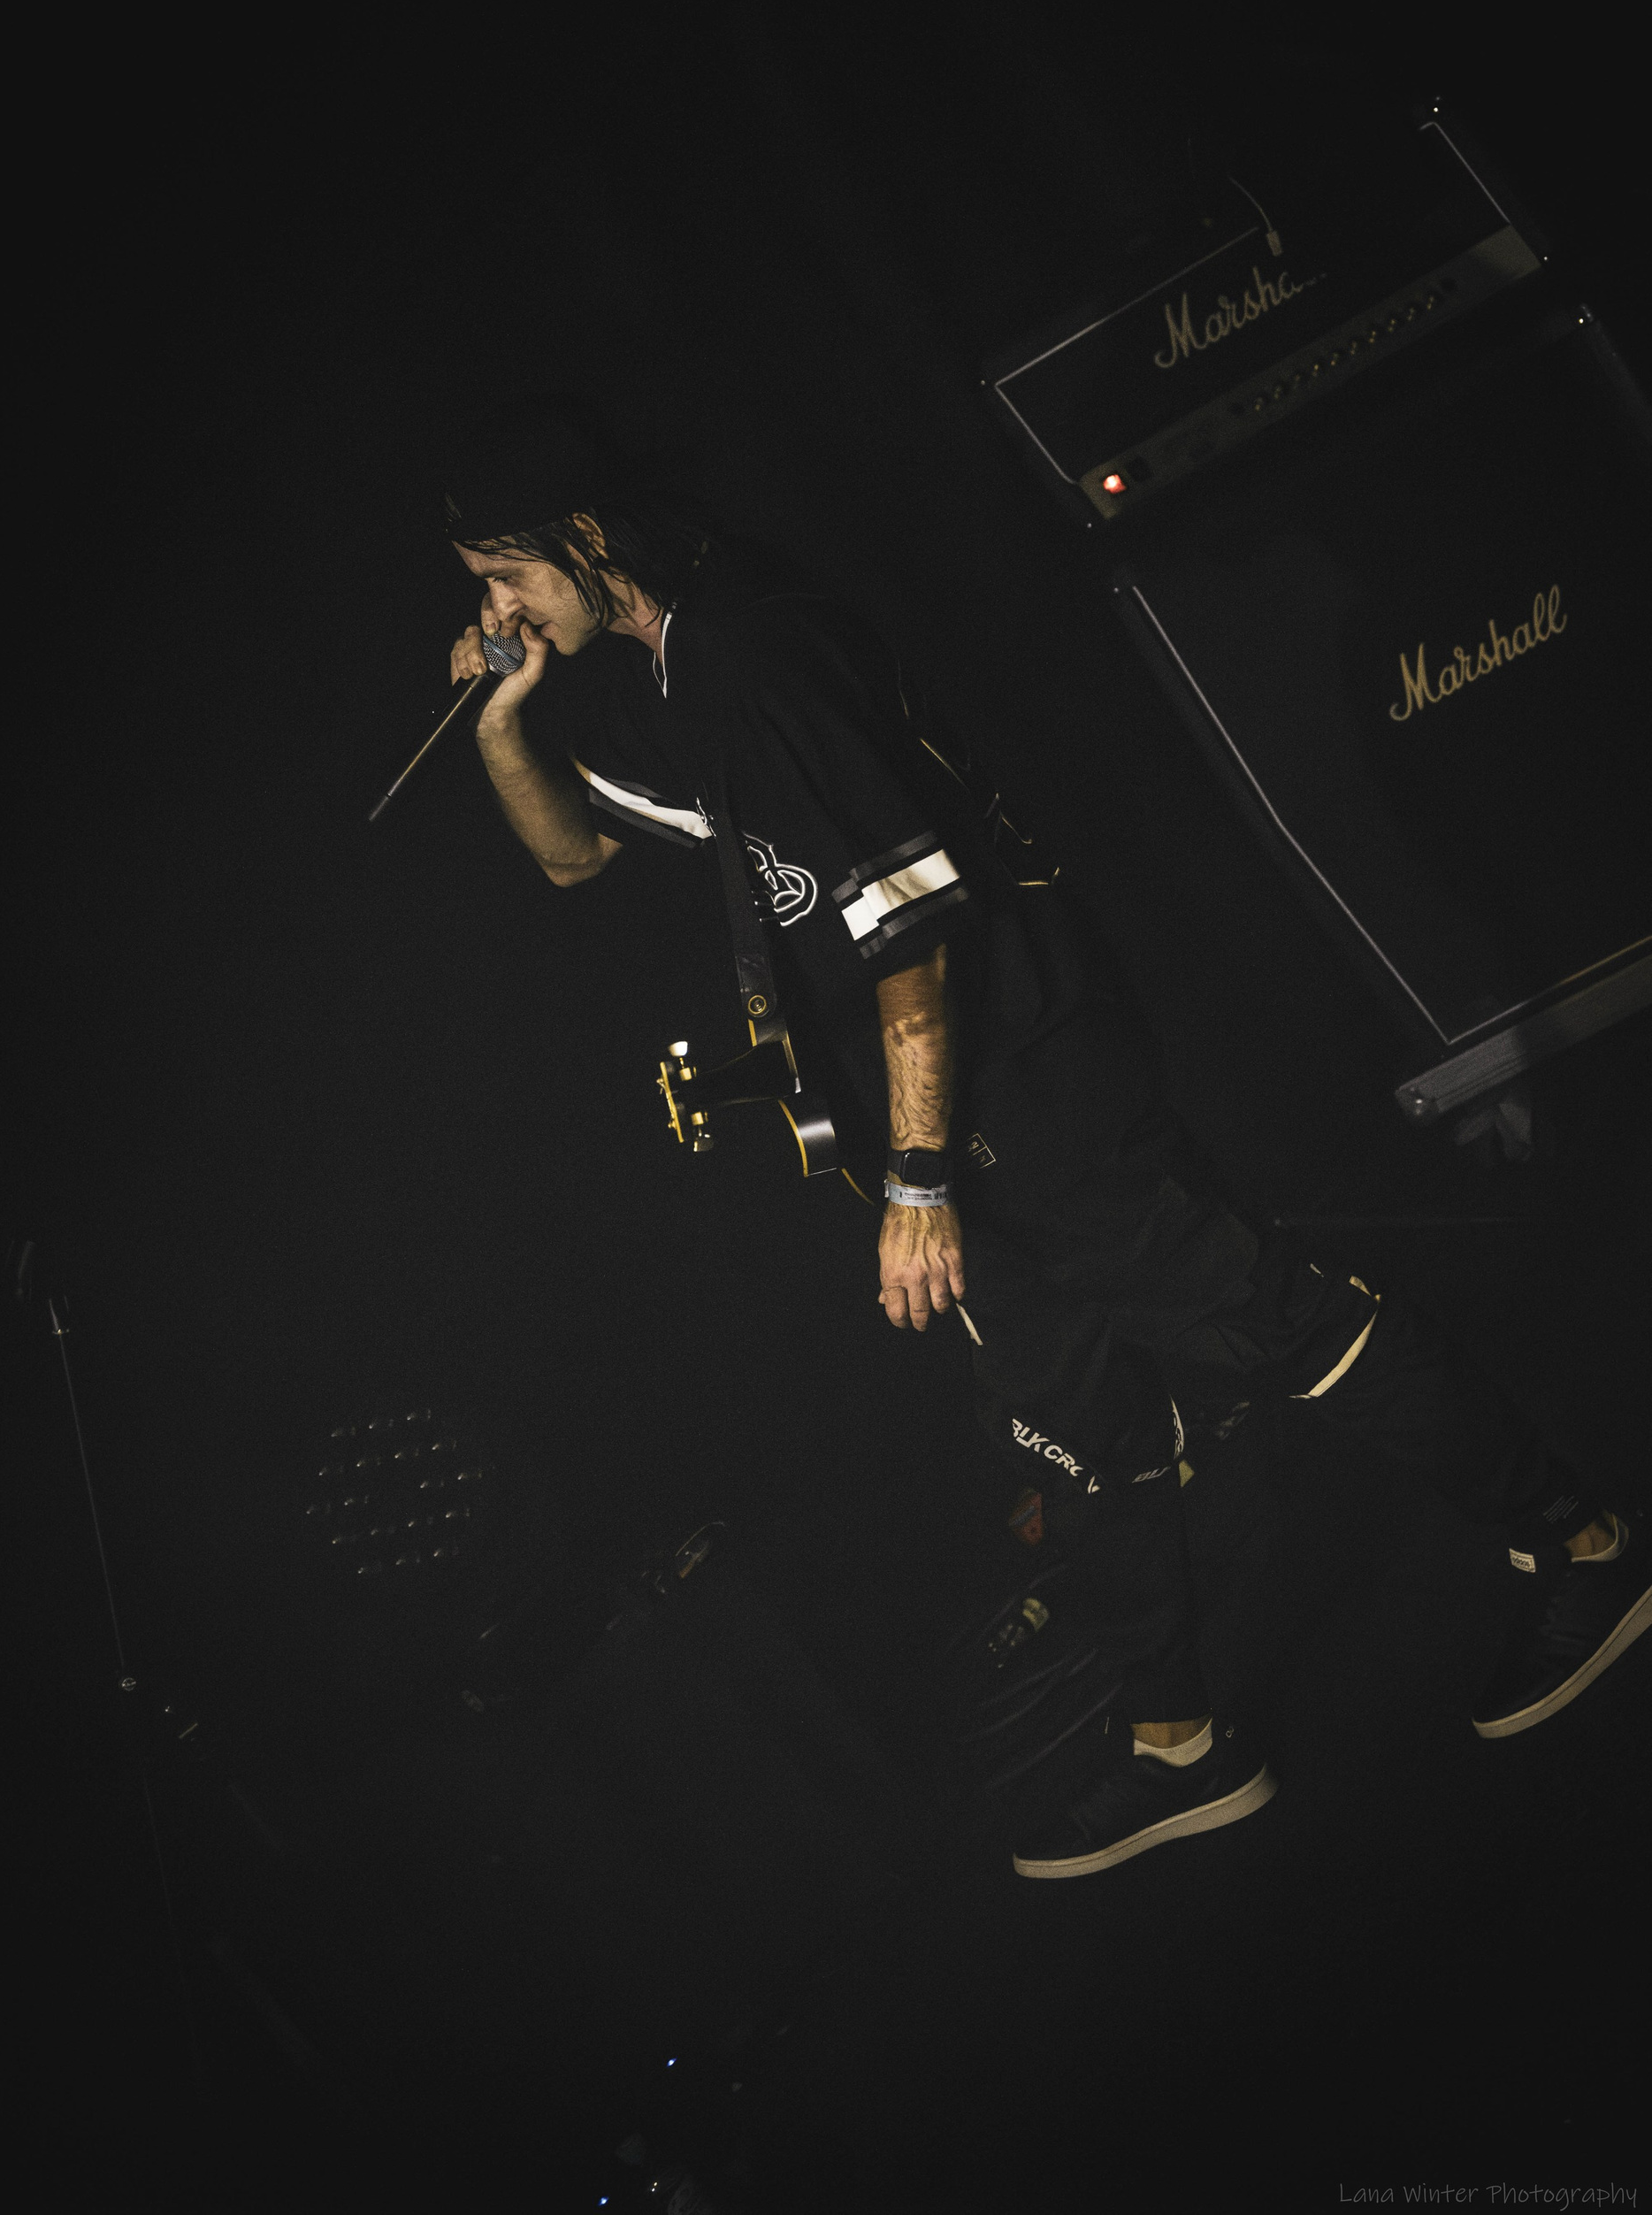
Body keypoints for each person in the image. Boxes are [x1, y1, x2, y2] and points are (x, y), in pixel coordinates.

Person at [439, 402, 1648, 1879]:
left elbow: (913, 926)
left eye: (506, 572)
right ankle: (1176, 1744)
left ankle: (1586, 1543)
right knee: (1071, 1424)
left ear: (586, 534)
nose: (498, 609)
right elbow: (574, 857)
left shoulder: (757, 657)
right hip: (950, 1132)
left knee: (1267, 1315)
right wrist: (501, 721)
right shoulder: (672, 675)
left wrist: (921, 1182)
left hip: (1025, 1083)